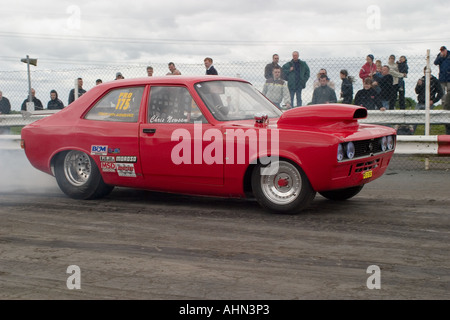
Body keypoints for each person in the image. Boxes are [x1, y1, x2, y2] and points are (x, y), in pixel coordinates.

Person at [412, 67, 444, 134]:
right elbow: (417, 91)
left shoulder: (435, 81)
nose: (425, 74)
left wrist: (433, 101)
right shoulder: (422, 79)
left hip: (430, 103)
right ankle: (411, 134)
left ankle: (427, 135)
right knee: (414, 119)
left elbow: (441, 92)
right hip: (420, 102)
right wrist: (419, 85)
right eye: (424, 72)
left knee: (428, 121)